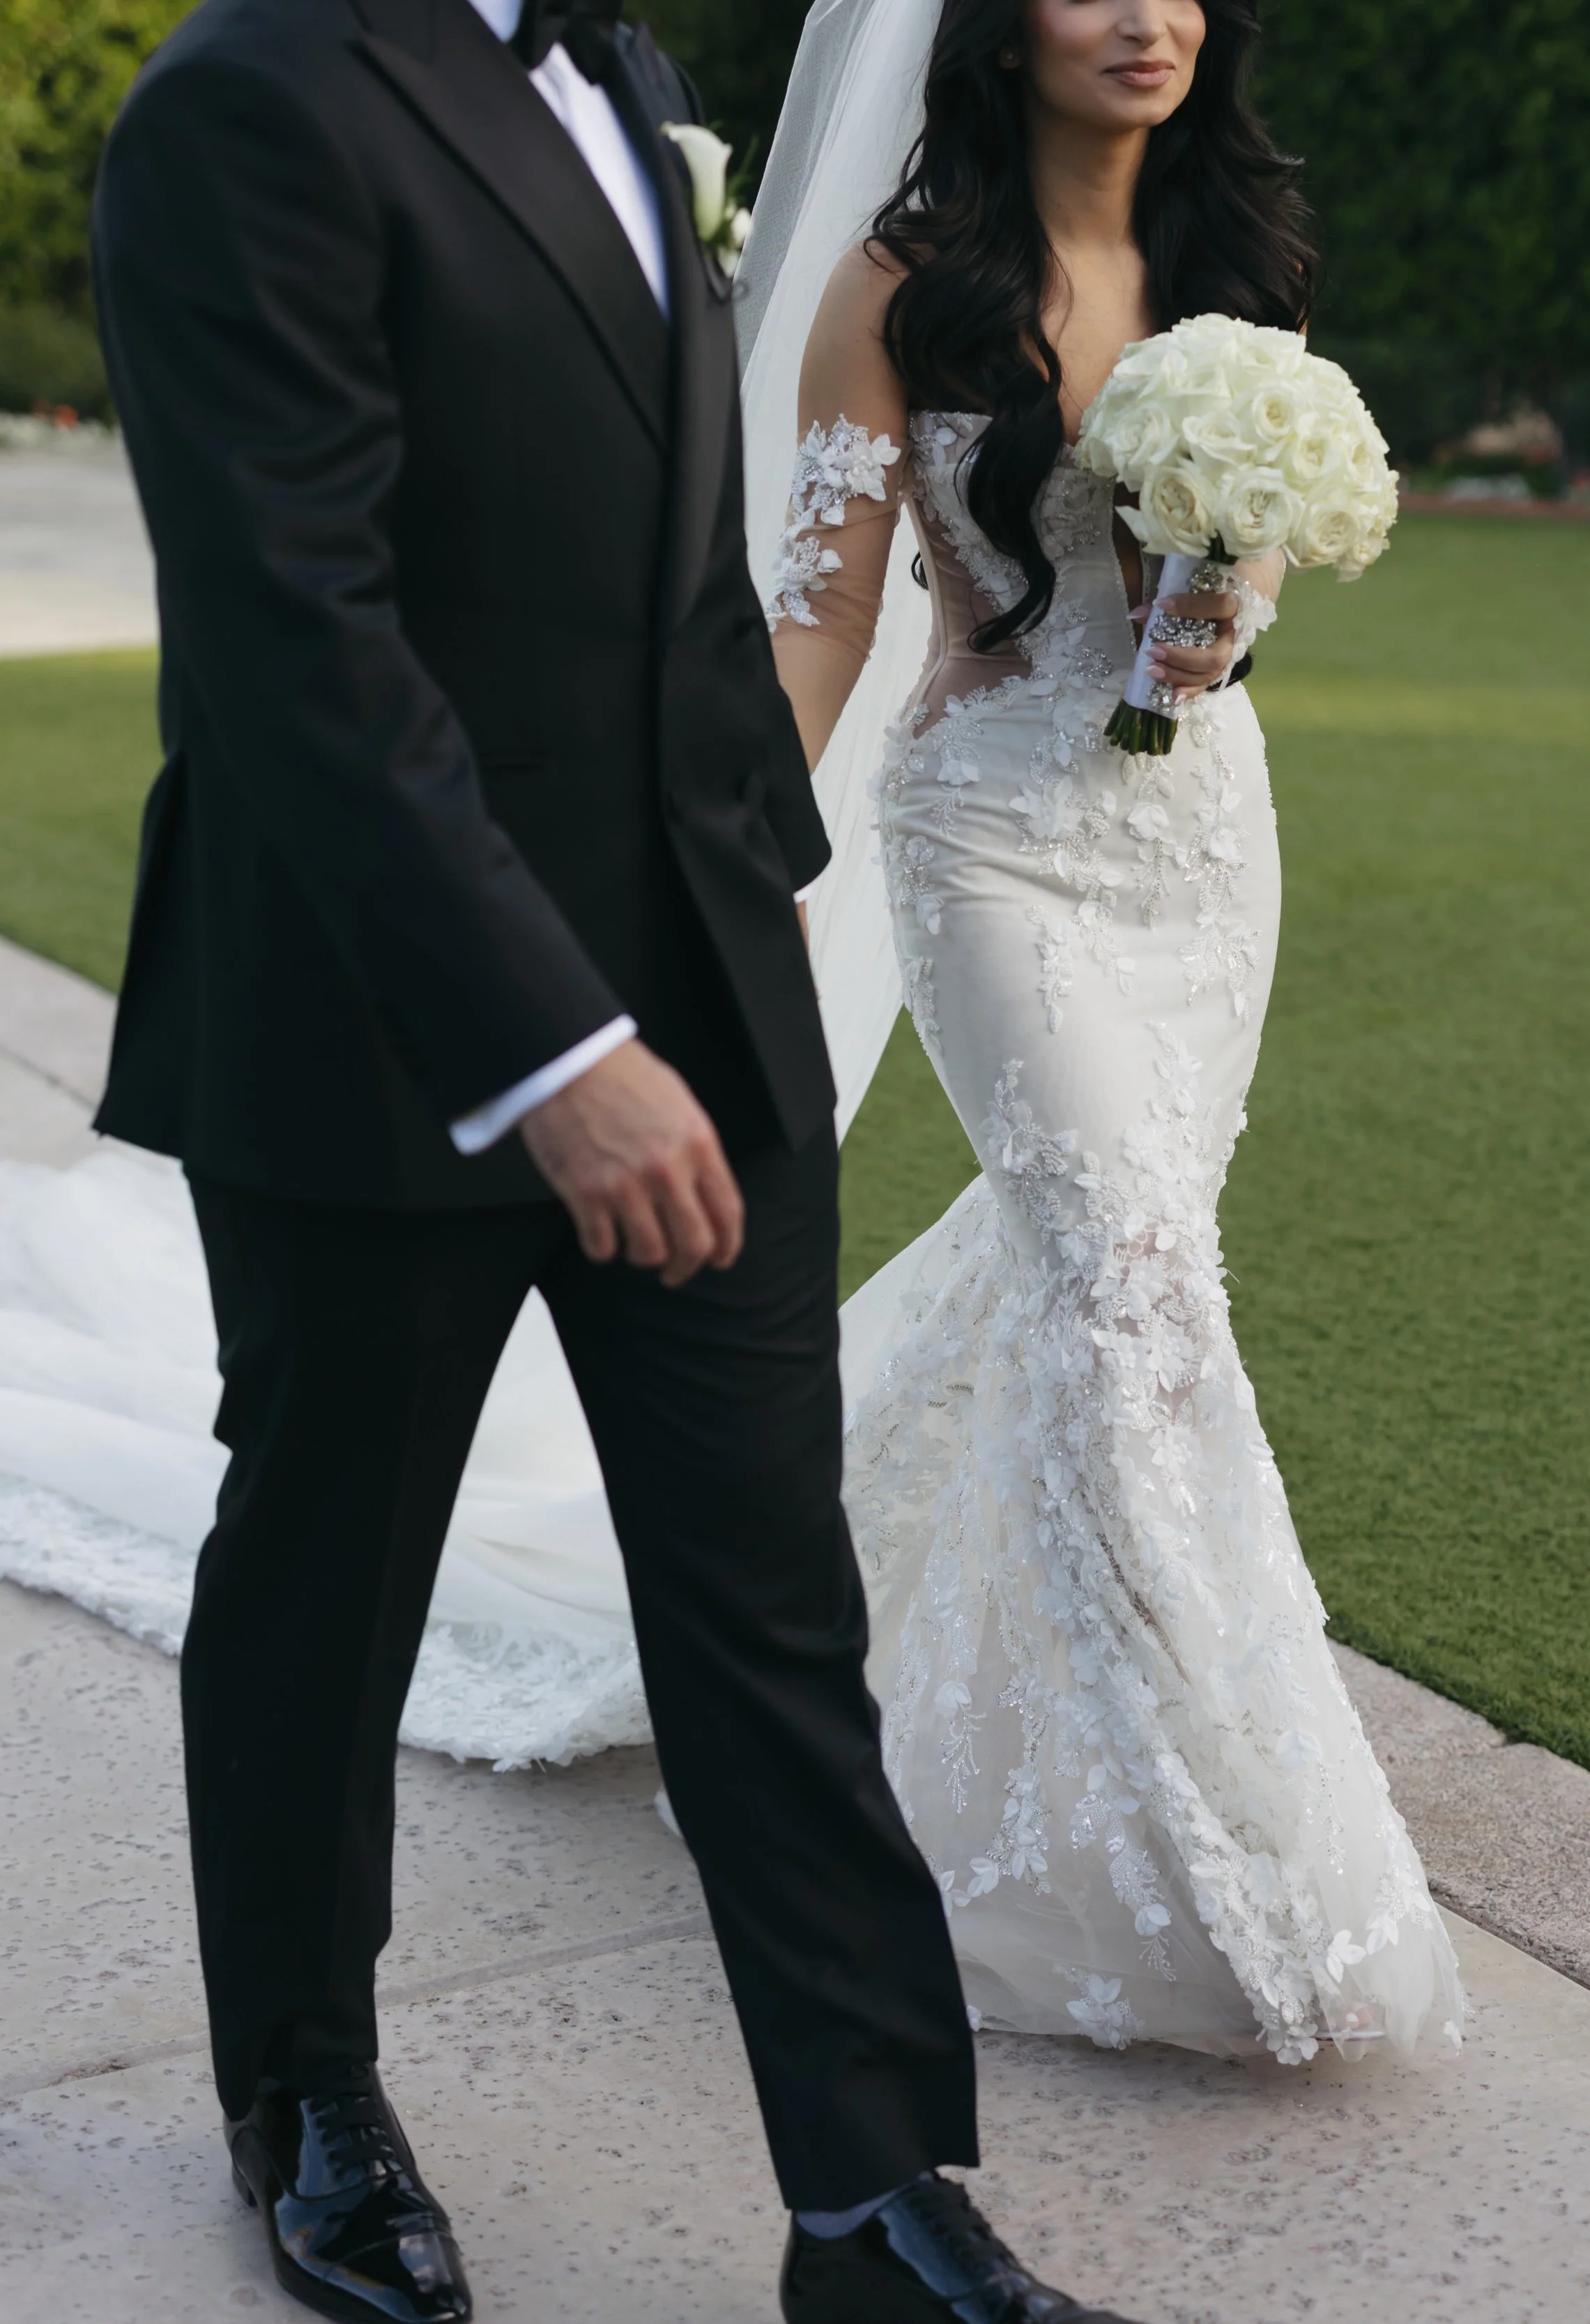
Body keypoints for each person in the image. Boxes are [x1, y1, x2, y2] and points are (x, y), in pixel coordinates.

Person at [89, 0, 1147, 2318]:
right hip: (378, 1031)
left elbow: (685, 560)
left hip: (702, 978)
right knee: (327, 1582)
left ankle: (874, 2201)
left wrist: (738, 876)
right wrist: (546, 1041)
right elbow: (294, 638)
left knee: (768, 1604)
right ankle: (306, 2096)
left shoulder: (639, 88)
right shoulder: (239, 105)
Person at [757, 0, 1467, 2068]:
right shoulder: (902, 284)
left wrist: (1222, 608)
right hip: (993, 841)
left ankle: (845, 1617)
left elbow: (1233, 574)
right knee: (1132, 1283)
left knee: (1082, 1275)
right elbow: (819, 602)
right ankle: (1212, 1842)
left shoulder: (1245, 253)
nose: (1142, 12)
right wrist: (727, 840)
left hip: (1201, 841)